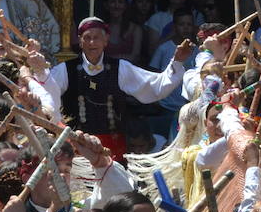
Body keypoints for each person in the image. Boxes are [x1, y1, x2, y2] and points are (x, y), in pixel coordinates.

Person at [42, 17, 191, 159]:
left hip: (112, 148)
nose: (92, 42)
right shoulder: (65, 70)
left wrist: (176, 62)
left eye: (97, 37)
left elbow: (153, 86)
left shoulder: (120, 68)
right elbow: (46, 95)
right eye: (87, 37)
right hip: (77, 147)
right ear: (80, 41)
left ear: (106, 40)